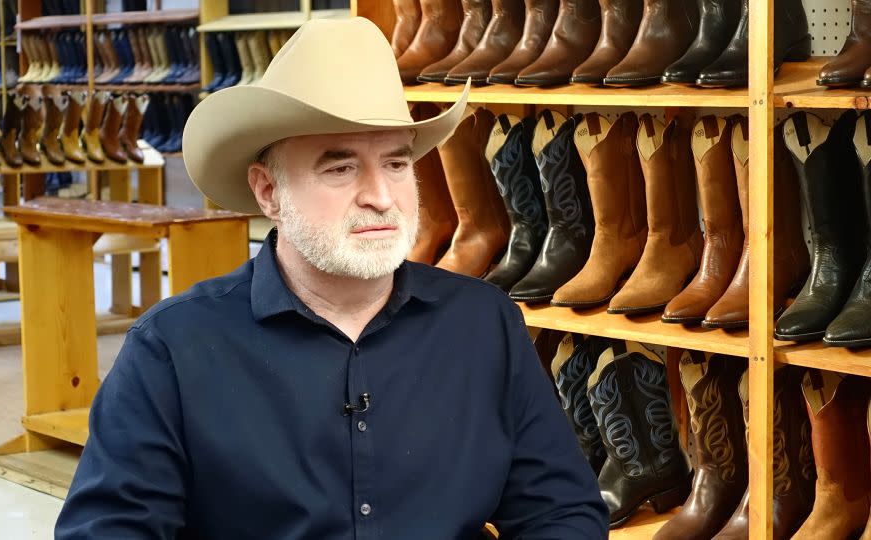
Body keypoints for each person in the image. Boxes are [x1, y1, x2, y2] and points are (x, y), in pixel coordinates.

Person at [55, 17, 608, 540]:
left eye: (395, 163)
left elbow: (562, 511)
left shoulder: (484, 325)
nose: (381, 196)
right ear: (268, 191)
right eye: (339, 167)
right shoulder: (174, 349)